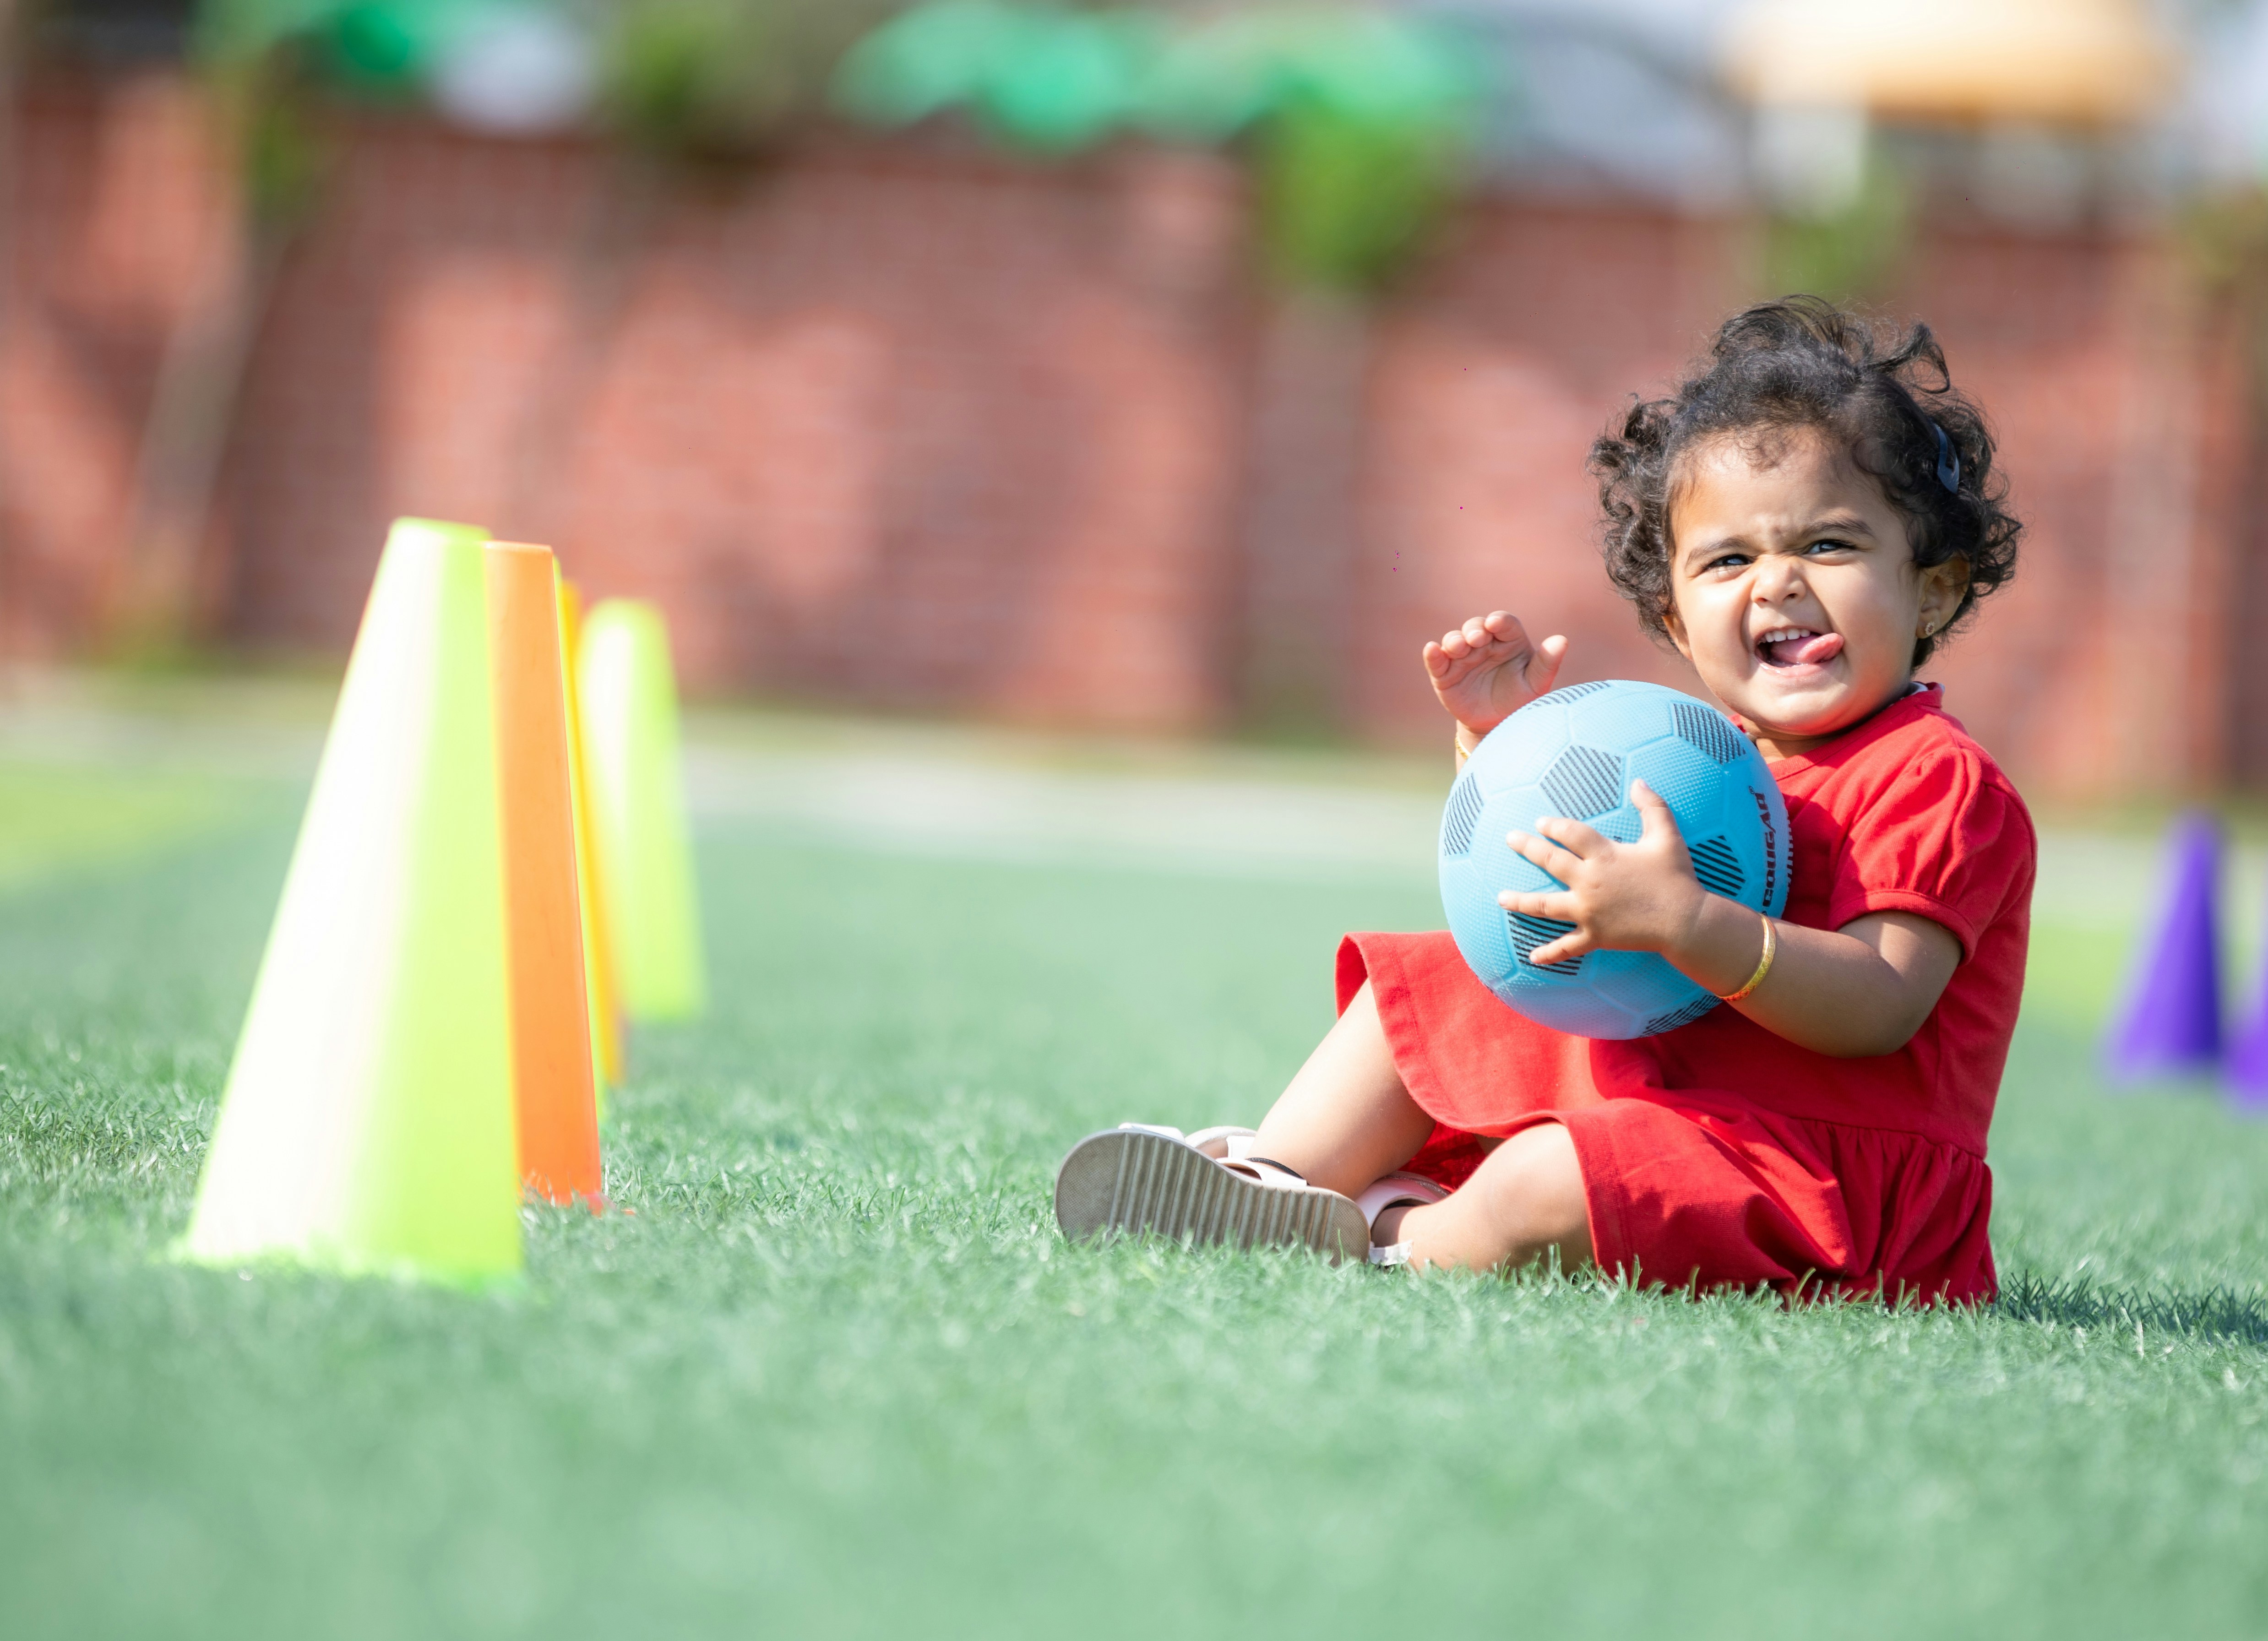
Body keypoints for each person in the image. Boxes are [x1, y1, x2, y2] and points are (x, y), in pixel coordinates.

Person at [1052, 296, 2033, 1304]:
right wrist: (1502, 751)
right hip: (1685, 1106)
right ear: (1674, 617)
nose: (1777, 583)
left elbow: (1877, 1004)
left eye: (1829, 546)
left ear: (1934, 588)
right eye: (1729, 560)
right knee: (1440, 984)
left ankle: (1379, 1233)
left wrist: (1690, 921)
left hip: (1828, 1184)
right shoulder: (1703, 758)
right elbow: (1541, 890)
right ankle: (1270, 1175)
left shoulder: (1935, 778)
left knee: (1546, 1184)